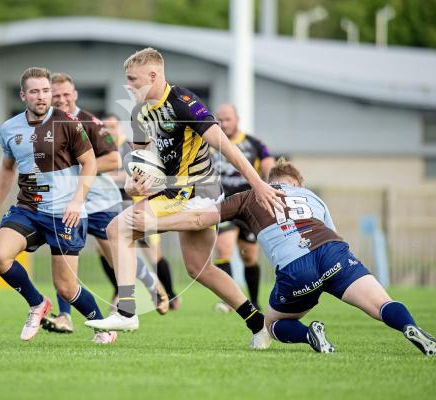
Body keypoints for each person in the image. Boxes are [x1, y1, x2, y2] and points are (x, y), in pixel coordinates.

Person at [128, 159, 436, 355]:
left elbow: (199, 221)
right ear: (297, 185)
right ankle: (409, 326)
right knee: (381, 303)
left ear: (268, 178)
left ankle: (309, 335)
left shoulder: (249, 195)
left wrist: (155, 223)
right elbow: (333, 232)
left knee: (272, 325)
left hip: (295, 268)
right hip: (333, 253)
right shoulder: (312, 196)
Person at [85, 47, 284, 349]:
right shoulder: (140, 112)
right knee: (199, 268)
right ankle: (258, 325)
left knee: (117, 228)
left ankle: (126, 310)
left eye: (133, 79)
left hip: (198, 192)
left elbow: (227, 148)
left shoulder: (184, 103)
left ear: (153, 75)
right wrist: (135, 183)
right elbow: (143, 160)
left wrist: (258, 185)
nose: (129, 86)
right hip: (173, 192)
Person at [0, 67, 117, 344]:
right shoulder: (9, 128)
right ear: (23, 96)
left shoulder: (68, 122)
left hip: (64, 214)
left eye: (45, 91)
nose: (42, 97)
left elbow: (91, 162)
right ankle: (36, 304)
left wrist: (77, 201)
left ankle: (103, 327)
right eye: (35, 91)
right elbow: (7, 168)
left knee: (67, 288)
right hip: (28, 209)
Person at [42, 73, 168, 334]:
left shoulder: (90, 122)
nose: (62, 99)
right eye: (57, 96)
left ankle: (151, 282)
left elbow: (112, 159)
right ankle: (64, 316)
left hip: (100, 202)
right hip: (65, 203)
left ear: (75, 94)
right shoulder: (45, 126)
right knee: (64, 256)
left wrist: (78, 169)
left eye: (66, 94)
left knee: (114, 255)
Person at [103, 113, 180, 311]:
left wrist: (107, 177)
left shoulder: (128, 147)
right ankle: (118, 292)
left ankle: (171, 295)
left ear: (119, 128)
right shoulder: (102, 149)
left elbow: (136, 175)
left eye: (112, 127)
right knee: (106, 252)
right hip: (111, 207)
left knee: (153, 255)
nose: (108, 131)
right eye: (105, 128)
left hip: (137, 205)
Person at [212, 104, 275, 312]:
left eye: (227, 119)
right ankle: (229, 300)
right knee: (223, 249)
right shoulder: (210, 143)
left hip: (248, 205)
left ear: (237, 119)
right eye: (219, 119)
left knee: (249, 256)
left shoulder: (253, 143)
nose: (223, 123)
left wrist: (267, 186)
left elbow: (268, 164)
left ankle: (254, 301)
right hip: (223, 203)